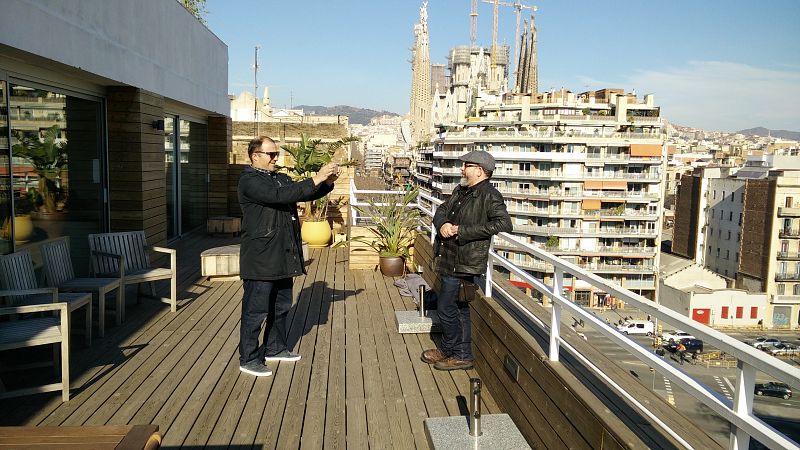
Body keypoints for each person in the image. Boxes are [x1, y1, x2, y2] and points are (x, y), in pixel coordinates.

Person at [237, 136, 340, 377]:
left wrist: (327, 183)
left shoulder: (279, 178)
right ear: (255, 156)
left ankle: (274, 348)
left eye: (277, 154)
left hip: (283, 255)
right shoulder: (249, 181)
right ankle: (248, 358)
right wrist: (316, 177)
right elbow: (278, 196)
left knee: (281, 306)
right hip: (261, 258)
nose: (276, 158)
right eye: (271, 154)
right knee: (256, 311)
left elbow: (300, 194)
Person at [420, 150, 512, 370]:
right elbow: (442, 210)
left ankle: (452, 351)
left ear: (479, 171)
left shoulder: (489, 195)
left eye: (466, 166)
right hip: (449, 256)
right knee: (458, 307)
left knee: (446, 307)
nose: (462, 169)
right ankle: (459, 354)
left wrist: (463, 231)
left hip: (464, 261)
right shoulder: (461, 191)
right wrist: (442, 224)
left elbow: (504, 223)